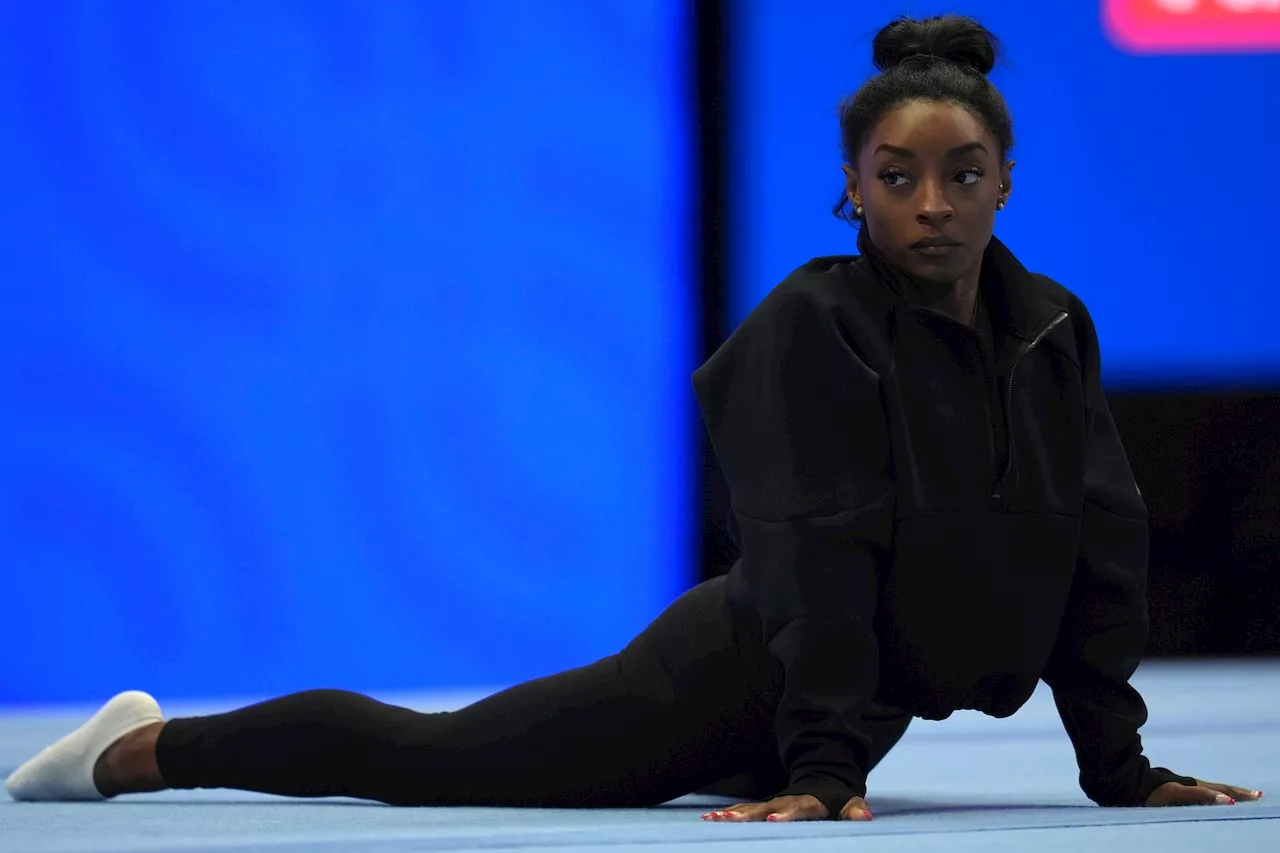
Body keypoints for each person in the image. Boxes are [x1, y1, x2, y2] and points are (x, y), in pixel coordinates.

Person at [5, 14, 1262, 822]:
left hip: (844, 708)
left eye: (961, 175)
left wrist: (1120, 770)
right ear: (852, 190)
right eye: (897, 178)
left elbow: (1095, 543)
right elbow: (816, 553)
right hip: (731, 674)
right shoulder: (815, 325)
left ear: (1004, 181)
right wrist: (822, 768)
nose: (931, 204)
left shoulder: (1049, 326)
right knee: (435, 760)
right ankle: (146, 749)